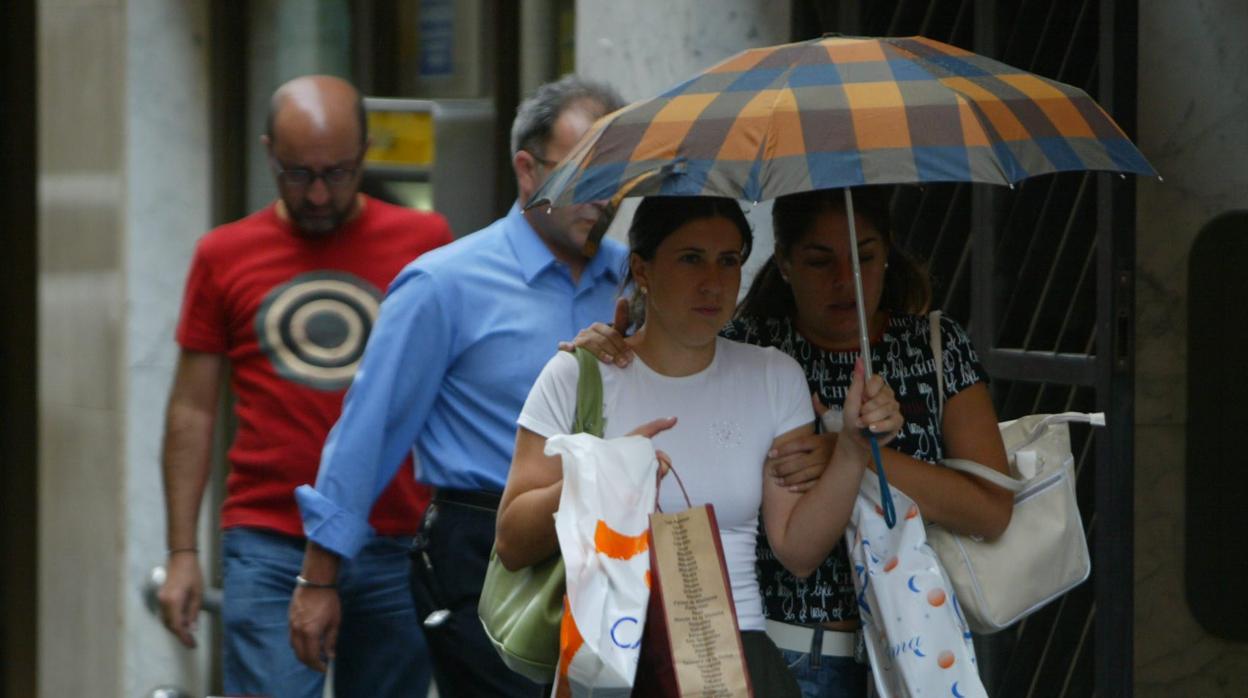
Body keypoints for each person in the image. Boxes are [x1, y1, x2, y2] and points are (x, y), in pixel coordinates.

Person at [566, 186, 1013, 697]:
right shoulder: (753, 351)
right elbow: (665, 357)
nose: (846, 280)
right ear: (782, 263)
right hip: (791, 649)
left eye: (865, 257)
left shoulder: (935, 346)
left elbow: (992, 510)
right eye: (820, 262)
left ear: (887, 253)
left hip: (921, 641)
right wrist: (604, 344)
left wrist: (859, 457)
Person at [288, 75, 626, 697]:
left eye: (615, 175)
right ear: (528, 170)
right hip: (482, 546)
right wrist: (320, 575)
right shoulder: (446, 283)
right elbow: (372, 427)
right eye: (582, 174)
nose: (600, 198)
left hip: (617, 543)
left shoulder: (638, 280)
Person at [496, 196, 904, 696]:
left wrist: (853, 449)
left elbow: (797, 550)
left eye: (728, 260)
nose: (713, 281)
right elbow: (512, 542)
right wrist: (603, 472)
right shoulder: (576, 375)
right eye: (691, 258)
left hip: (735, 653)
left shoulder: (773, 375)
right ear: (642, 269)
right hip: (613, 657)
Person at [156, 75, 452, 697]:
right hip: (270, 539)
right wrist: (182, 551)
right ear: (269, 154)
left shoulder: (424, 244)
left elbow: (453, 386)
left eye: (337, 173)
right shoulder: (223, 254)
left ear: (365, 155)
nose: (318, 193)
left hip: (393, 536)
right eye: (297, 174)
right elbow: (191, 411)